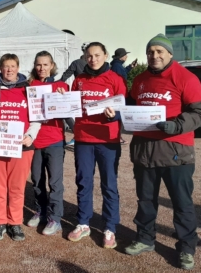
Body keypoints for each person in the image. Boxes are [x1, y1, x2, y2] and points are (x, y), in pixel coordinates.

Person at [124, 34, 201, 271]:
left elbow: (198, 113)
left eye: (159, 51)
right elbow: (131, 105)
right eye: (150, 52)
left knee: (182, 204)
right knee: (146, 201)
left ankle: (187, 247)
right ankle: (146, 239)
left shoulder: (186, 78)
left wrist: (176, 125)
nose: (154, 56)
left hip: (176, 152)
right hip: (144, 151)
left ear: (169, 54)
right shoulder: (141, 80)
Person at [59, 42, 127, 249]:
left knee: (109, 184)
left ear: (105, 56)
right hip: (83, 139)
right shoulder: (79, 79)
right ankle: (83, 223)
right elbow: (74, 105)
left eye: (97, 55)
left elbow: (123, 109)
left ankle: (109, 227)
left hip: (108, 140)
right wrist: (62, 100)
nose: (93, 59)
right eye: (89, 56)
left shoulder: (116, 79)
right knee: (83, 182)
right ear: (84, 57)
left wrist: (114, 115)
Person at [0, 54, 40, 241]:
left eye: (12, 66)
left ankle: (15, 223)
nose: (9, 70)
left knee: (17, 187)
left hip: (22, 147)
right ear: (0, 67)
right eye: (5, 66)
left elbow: (37, 116)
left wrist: (30, 135)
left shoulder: (29, 88)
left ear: (18, 67)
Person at [26, 51, 70, 236]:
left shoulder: (62, 86)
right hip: (34, 140)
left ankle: (55, 218)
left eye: (45, 64)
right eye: (38, 64)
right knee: (37, 180)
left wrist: (62, 97)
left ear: (52, 65)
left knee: (55, 181)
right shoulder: (28, 85)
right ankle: (40, 210)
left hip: (55, 140)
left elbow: (69, 109)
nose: (42, 68)